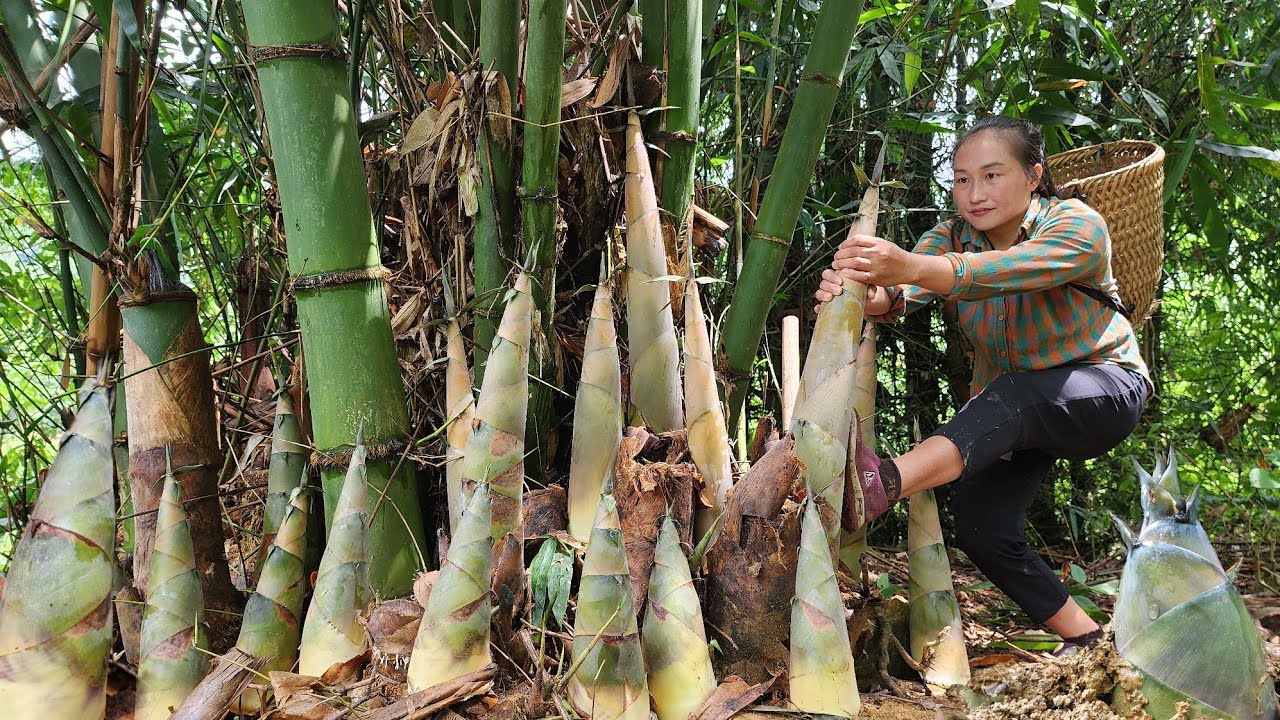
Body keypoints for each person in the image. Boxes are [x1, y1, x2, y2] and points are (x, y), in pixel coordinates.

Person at [814, 116, 1151, 651]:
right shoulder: (950, 235)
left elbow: (1004, 270)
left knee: (1014, 395)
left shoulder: (1077, 226)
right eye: (962, 179)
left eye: (992, 176)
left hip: (1104, 389)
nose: (974, 194)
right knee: (979, 524)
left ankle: (879, 485)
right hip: (1018, 412)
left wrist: (911, 265)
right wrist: (861, 292)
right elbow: (901, 295)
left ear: (1034, 175)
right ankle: (1088, 639)